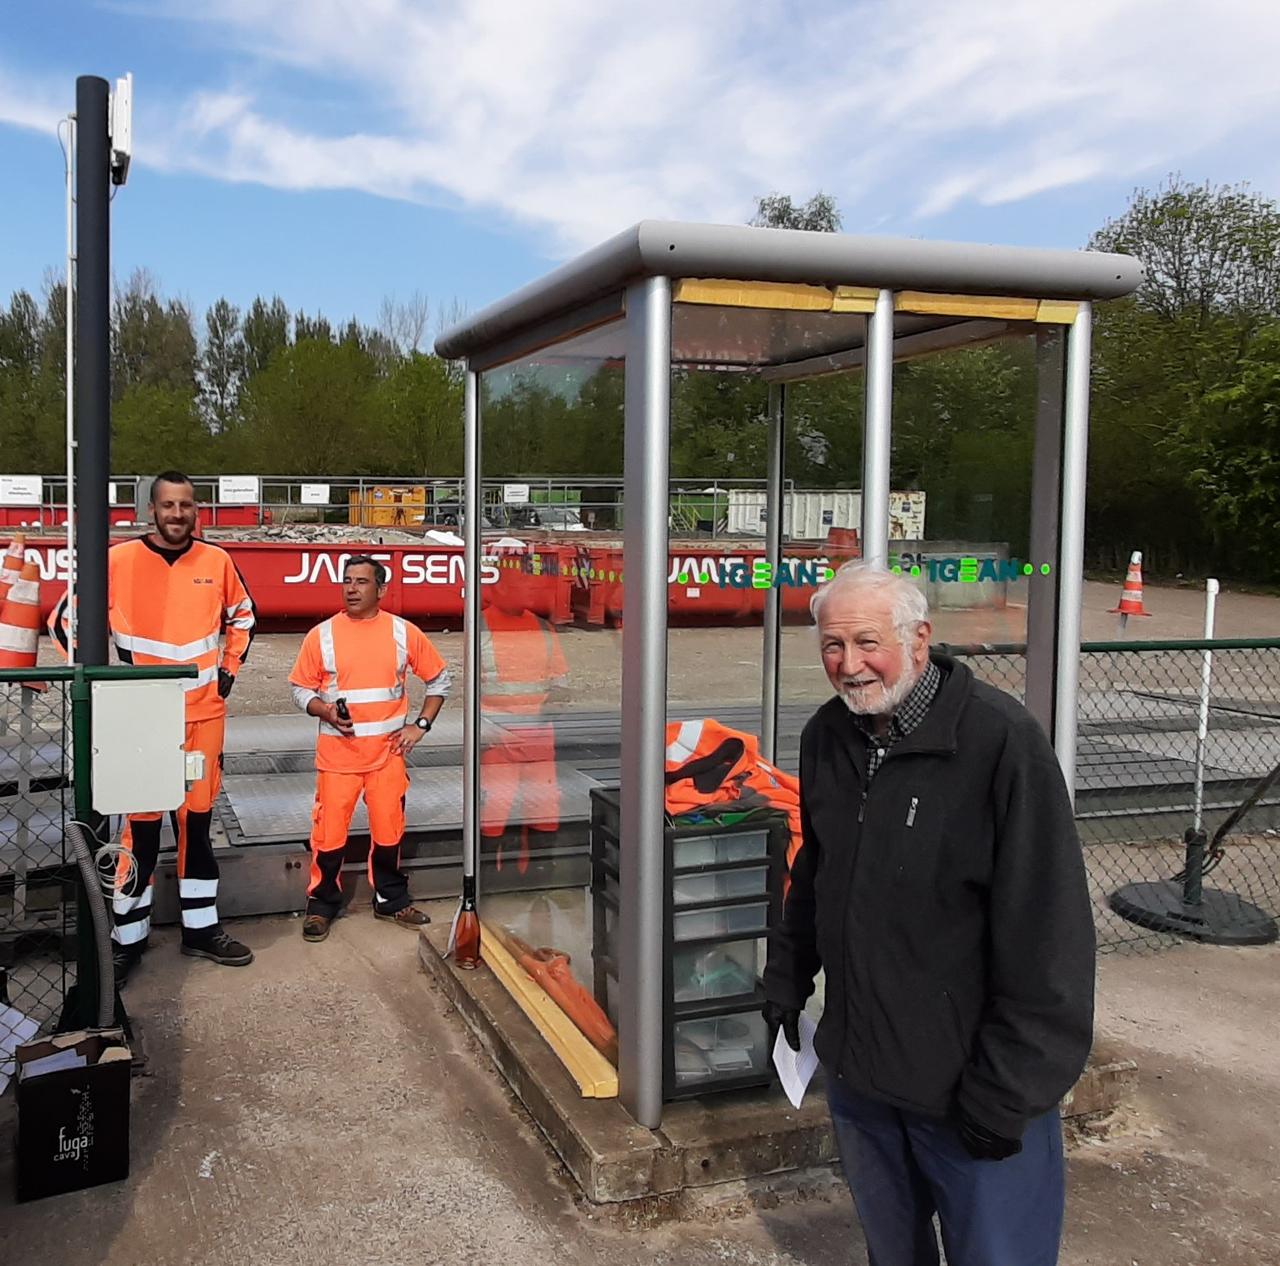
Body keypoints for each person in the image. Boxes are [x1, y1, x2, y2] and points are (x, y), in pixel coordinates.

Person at [763, 562, 1095, 1266]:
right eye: (831, 646)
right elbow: (816, 871)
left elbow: (1050, 935)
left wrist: (1008, 1091)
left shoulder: (1000, 745)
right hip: (864, 1083)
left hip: (969, 1090)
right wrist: (788, 979)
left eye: (866, 642)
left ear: (920, 639)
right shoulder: (829, 736)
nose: (849, 666)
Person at [51, 470, 257, 984]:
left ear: (196, 511)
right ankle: (128, 939)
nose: (178, 514)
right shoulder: (117, 561)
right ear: (150, 510)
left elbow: (244, 616)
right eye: (168, 505)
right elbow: (63, 622)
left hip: (203, 715)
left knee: (198, 826)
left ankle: (201, 931)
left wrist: (228, 670)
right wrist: (102, 683)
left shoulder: (218, 561)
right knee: (140, 830)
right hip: (141, 714)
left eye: (186, 505)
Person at [288, 555, 451, 942]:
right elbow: (299, 689)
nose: (351, 588)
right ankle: (321, 905)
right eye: (347, 581)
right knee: (328, 837)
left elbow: (440, 680)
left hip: (387, 758)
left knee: (389, 832)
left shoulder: (402, 632)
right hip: (337, 758)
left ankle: (391, 901)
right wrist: (324, 710)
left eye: (361, 582)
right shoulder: (321, 635)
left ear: (381, 589)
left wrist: (420, 725)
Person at [478, 588, 570, 874]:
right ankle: (493, 879)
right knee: (496, 808)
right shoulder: (480, 624)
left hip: (534, 735)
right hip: (498, 735)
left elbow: (560, 688)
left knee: (543, 808)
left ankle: (537, 876)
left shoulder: (543, 628)